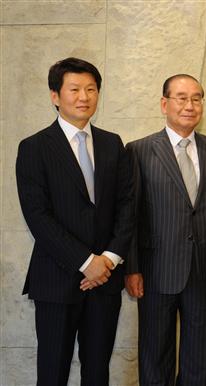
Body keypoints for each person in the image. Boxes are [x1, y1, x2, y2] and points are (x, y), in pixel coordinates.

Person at [15, 57, 134, 386]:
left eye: (91, 89)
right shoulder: (34, 147)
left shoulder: (113, 144)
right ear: (55, 95)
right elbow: (37, 216)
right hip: (56, 279)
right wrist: (85, 262)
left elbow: (127, 206)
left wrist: (107, 261)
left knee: (98, 373)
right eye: (75, 89)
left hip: (105, 282)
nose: (84, 96)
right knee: (52, 373)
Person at [125, 74, 206, 385]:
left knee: (198, 358)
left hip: (203, 268)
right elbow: (130, 217)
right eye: (181, 98)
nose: (190, 105)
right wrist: (131, 268)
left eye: (197, 98)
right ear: (164, 104)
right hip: (156, 270)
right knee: (155, 354)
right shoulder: (139, 150)